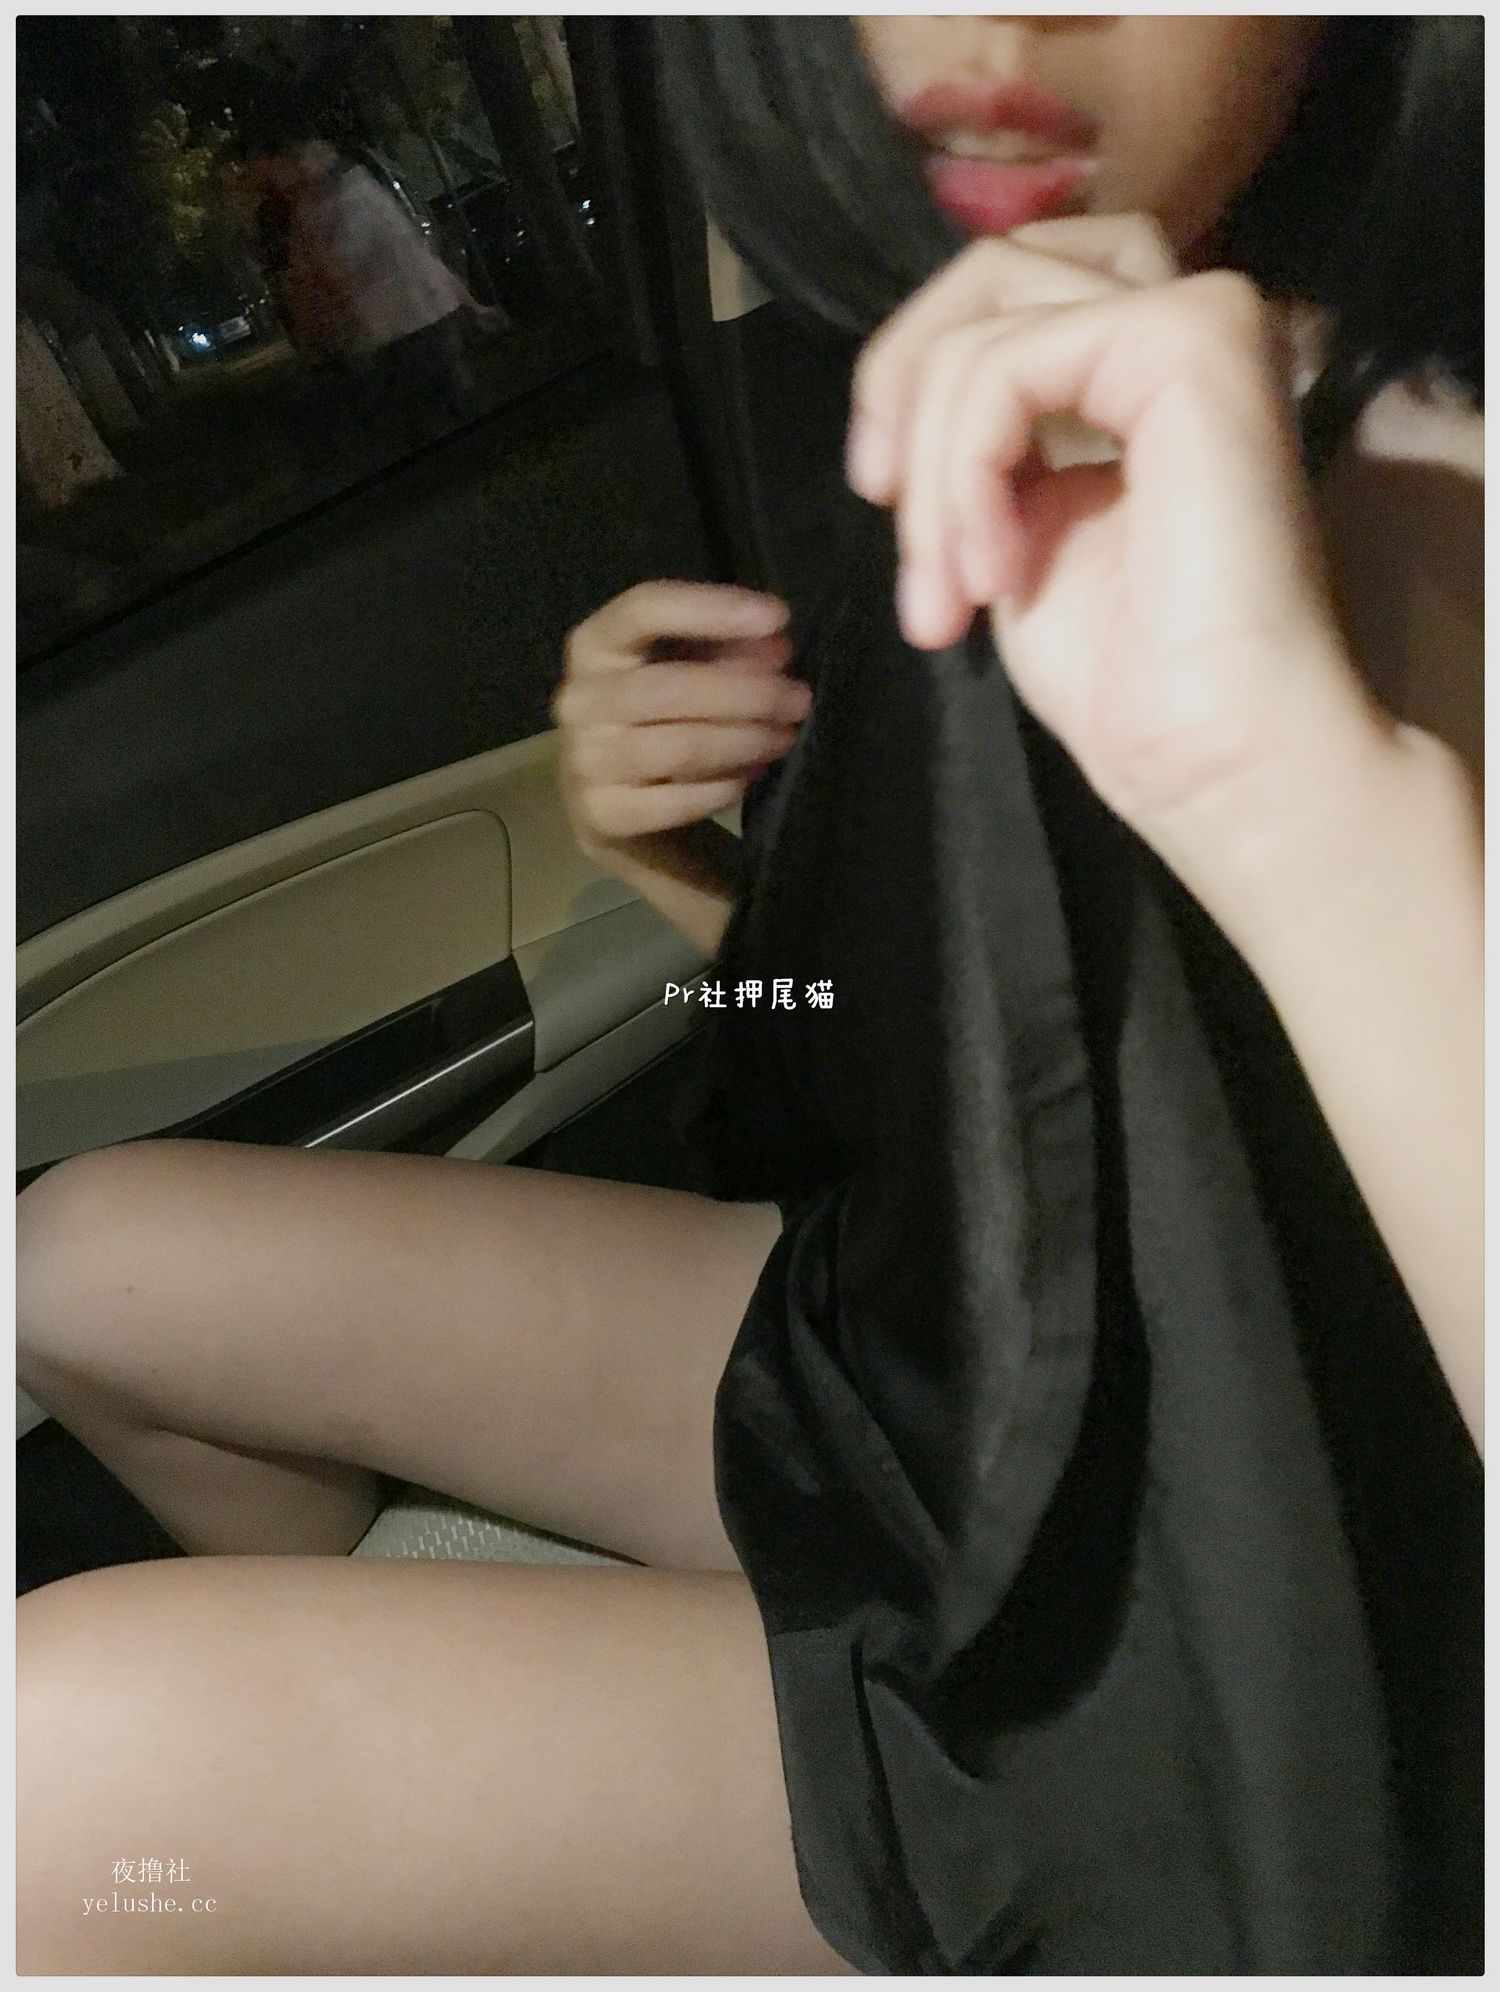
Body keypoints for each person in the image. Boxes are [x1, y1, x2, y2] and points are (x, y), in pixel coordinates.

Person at [16, 17, 1480, 1973]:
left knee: (51, 1787)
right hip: (958, 1357)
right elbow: (934, 1065)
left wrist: (1304, 807)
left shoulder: (1435, 450)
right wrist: (681, 871)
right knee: (83, 1261)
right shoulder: (958, 367)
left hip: (1268, 1641)